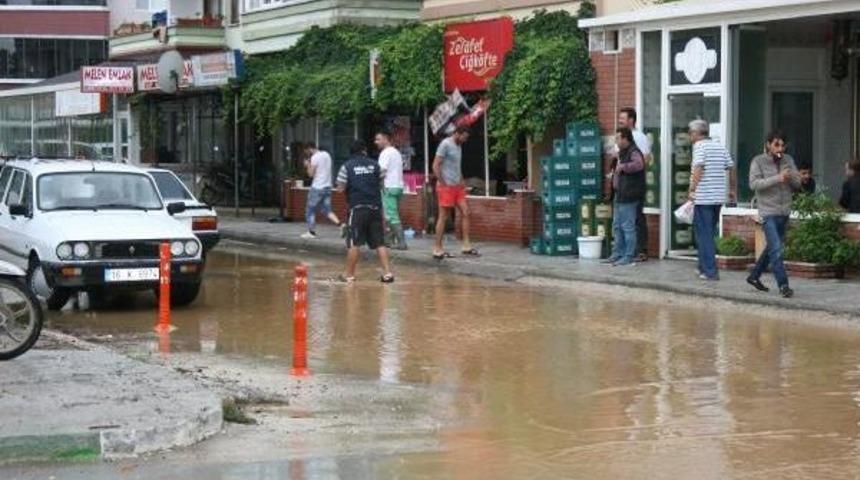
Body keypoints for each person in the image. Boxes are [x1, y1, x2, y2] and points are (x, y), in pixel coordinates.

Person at [747, 130, 800, 298]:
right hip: (768, 212)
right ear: (768, 144)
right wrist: (778, 178)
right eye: (776, 144)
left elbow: (798, 183)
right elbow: (754, 184)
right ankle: (784, 285)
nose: (780, 148)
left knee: (772, 248)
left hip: (784, 211)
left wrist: (790, 176)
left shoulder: (788, 160)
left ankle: (754, 276)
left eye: (783, 145)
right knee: (776, 249)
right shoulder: (758, 161)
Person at [335, 140, 394, 283]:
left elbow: (340, 188)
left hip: (357, 209)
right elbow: (382, 185)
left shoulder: (346, 166)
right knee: (380, 242)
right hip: (375, 208)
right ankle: (387, 274)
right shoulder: (375, 165)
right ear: (364, 150)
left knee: (354, 242)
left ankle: (349, 275)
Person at [688, 119, 736, 281]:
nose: (689, 136)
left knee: (705, 234)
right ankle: (702, 267)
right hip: (717, 198)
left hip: (704, 197)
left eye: (690, 133)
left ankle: (710, 271)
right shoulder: (719, 146)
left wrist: (692, 189)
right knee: (707, 233)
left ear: (696, 133)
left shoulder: (699, 147)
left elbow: (698, 168)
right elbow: (731, 167)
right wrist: (731, 189)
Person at [432, 126, 479, 259]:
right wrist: (442, 181)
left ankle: (466, 246)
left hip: (458, 186)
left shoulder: (459, 146)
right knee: (443, 216)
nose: (465, 140)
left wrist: (462, 179)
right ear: (457, 133)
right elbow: (435, 165)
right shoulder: (445, 144)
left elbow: (456, 166)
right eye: (464, 137)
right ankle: (437, 248)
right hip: (446, 186)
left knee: (466, 212)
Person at [602, 127, 645, 266]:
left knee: (627, 226)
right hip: (619, 194)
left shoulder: (634, 151)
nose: (616, 140)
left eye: (618, 138)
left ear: (626, 139)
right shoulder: (622, 153)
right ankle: (617, 253)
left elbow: (639, 165)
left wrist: (624, 167)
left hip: (629, 194)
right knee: (617, 226)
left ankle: (628, 255)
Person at [617, 107, 653, 262]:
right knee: (623, 221)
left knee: (637, 217)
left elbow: (645, 160)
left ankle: (641, 250)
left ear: (631, 120)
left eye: (623, 118)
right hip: (622, 186)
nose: (620, 121)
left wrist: (627, 169)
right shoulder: (621, 137)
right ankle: (624, 251)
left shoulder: (639, 137)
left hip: (633, 186)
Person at [301, 143, 343, 240]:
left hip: (317, 188)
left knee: (309, 210)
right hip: (327, 187)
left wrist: (307, 165)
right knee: (327, 210)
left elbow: (311, 174)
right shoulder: (327, 155)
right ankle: (341, 225)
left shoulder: (315, 157)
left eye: (307, 152)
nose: (307, 154)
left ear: (310, 149)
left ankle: (311, 232)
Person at [375, 130, 407, 250]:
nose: (376, 142)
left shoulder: (385, 153)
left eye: (378, 139)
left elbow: (382, 171)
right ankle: (388, 240)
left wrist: (375, 180)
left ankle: (401, 242)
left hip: (388, 186)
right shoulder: (396, 152)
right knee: (391, 214)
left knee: (391, 215)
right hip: (398, 186)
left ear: (385, 139)